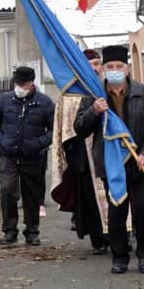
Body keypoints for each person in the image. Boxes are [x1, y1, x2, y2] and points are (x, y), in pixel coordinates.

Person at [74, 45, 144, 275]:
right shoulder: (93, 95)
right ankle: (119, 256)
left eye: (119, 66)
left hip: (141, 162)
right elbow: (79, 129)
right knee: (117, 210)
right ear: (104, 70)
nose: (114, 70)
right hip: (111, 162)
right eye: (110, 67)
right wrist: (94, 112)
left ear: (127, 68)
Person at [0, 66, 56, 246]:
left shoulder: (44, 103)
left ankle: (32, 231)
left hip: (32, 156)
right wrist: (1, 140)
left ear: (31, 84)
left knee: (31, 193)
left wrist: (39, 143)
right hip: (8, 155)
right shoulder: (4, 100)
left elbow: (54, 129)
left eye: (23, 84)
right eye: (17, 83)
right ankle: (9, 230)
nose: (19, 87)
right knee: (8, 189)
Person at [50, 49, 111, 253]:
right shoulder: (70, 93)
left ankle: (119, 235)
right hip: (83, 156)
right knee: (90, 201)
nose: (94, 68)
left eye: (96, 64)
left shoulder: (109, 88)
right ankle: (98, 239)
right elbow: (64, 129)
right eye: (89, 64)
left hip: (110, 153)